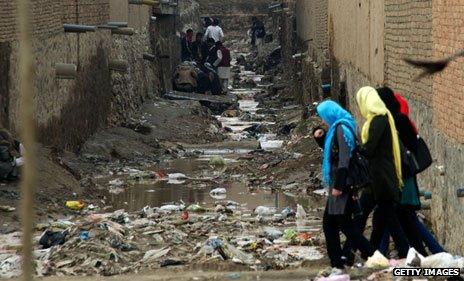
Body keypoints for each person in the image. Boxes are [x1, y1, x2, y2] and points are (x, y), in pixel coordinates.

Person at [314, 100, 375, 270]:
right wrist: (319, 138)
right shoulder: (339, 127)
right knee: (335, 224)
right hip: (341, 183)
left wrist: (338, 186)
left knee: (341, 225)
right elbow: (333, 151)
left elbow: (344, 159)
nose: (323, 121)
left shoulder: (341, 129)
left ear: (330, 114)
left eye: (323, 117)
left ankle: (370, 256)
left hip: (342, 184)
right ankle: (338, 262)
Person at [355, 86, 410, 258]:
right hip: (378, 179)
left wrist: (356, 148)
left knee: (368, 215)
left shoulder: (378, 120)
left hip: (380, 179)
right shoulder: (379, 119)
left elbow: (370, 149)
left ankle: (354, 251)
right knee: (381, 218)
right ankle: (370, 252)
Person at [377, 87, 428, 256]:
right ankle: (405, 254)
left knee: (403, 217)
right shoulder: (392, 120)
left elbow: (410, 146)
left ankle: (419, 254)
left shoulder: (398, 120)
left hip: (404, 178)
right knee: (400, 218)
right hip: (400, 178)